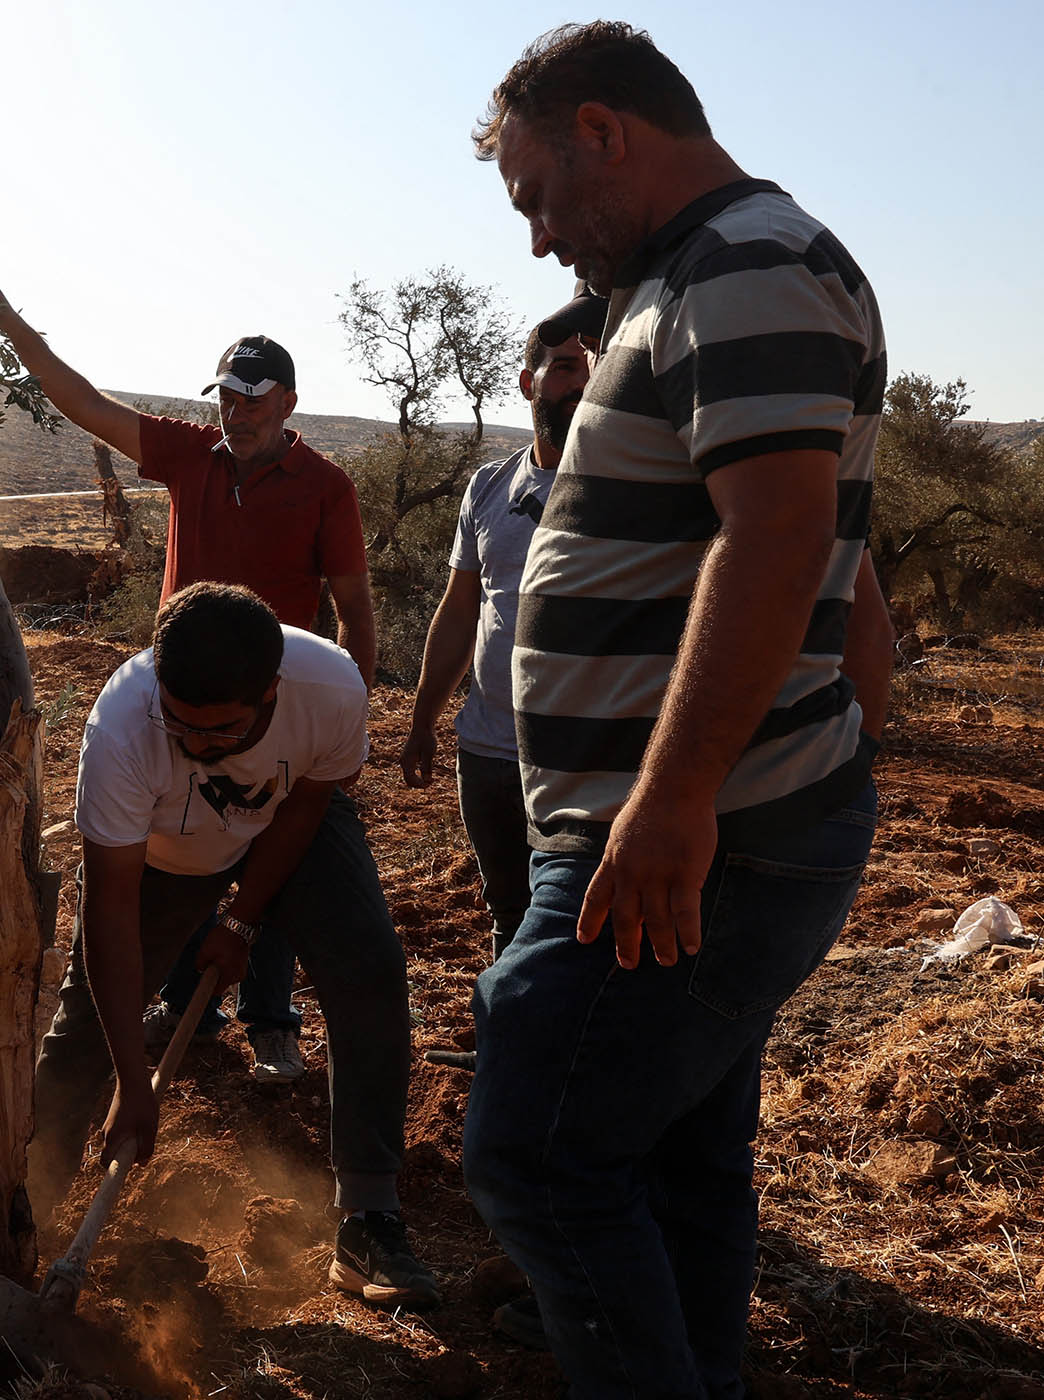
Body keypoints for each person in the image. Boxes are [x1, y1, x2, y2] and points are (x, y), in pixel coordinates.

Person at [462, 23, 895, 1397]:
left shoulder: (745, 265)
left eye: (539, 195)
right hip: (687, 821)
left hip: (692, 829)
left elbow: (773, 538)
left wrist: (670, 796)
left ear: (605, 132)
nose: (538, 239)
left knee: (532, 1154)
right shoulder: (686, 278)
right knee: (680, 1158)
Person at [0, 282, 378, 1086]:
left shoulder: (326, 486)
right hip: (184, 694)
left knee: (273, 853)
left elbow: (354, 609)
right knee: (185, 833)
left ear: (288, 401)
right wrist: (14, 327)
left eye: (252, 399)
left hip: (273, 706)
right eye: (226, 395)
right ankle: (193, 1002)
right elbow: (87, 403)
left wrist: (342, 715)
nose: (236, 411)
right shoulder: (190, 455)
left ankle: (271, 1022)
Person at [34, 583, 440, 1309]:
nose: (196, 746)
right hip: (165, 856)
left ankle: (369, 1220)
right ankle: (20, 1210)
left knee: (369, 971)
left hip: (289, 826)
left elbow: (311, 799)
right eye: (182, 728)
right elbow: (111, 915)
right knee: (89, 1027)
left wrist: (243, 920)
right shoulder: (123, 730)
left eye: (220, 733)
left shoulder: (331, 687)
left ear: (273, 693)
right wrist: (133, 1079)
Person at [402, 295, 602, 961]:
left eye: (594, 368)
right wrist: (425, 718)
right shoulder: (491, 486)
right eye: (566, 367)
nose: (582, 383)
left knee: (576, 924)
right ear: (529, 383)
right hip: (488, 749)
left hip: (586, 758)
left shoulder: (634, 486)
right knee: (507, 913)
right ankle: (505, 1057)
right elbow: (461, 612)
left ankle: (553, 1062)